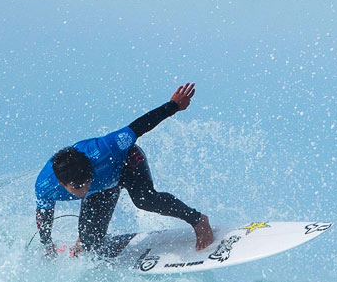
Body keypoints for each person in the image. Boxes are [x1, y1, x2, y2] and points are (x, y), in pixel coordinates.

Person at [34, 83, 214, 257]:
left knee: (144, 199)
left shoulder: (106, 148)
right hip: (104, 187)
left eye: (86, 182)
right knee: (90, 243)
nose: (83, 190)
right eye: (77, 187)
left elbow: (138, 127)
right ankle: (87, 242)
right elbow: (44, 216)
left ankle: (198, 220)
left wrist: (173, 106)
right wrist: (47, 245)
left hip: (127, 163)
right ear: (61, 183)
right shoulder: (45, 187)